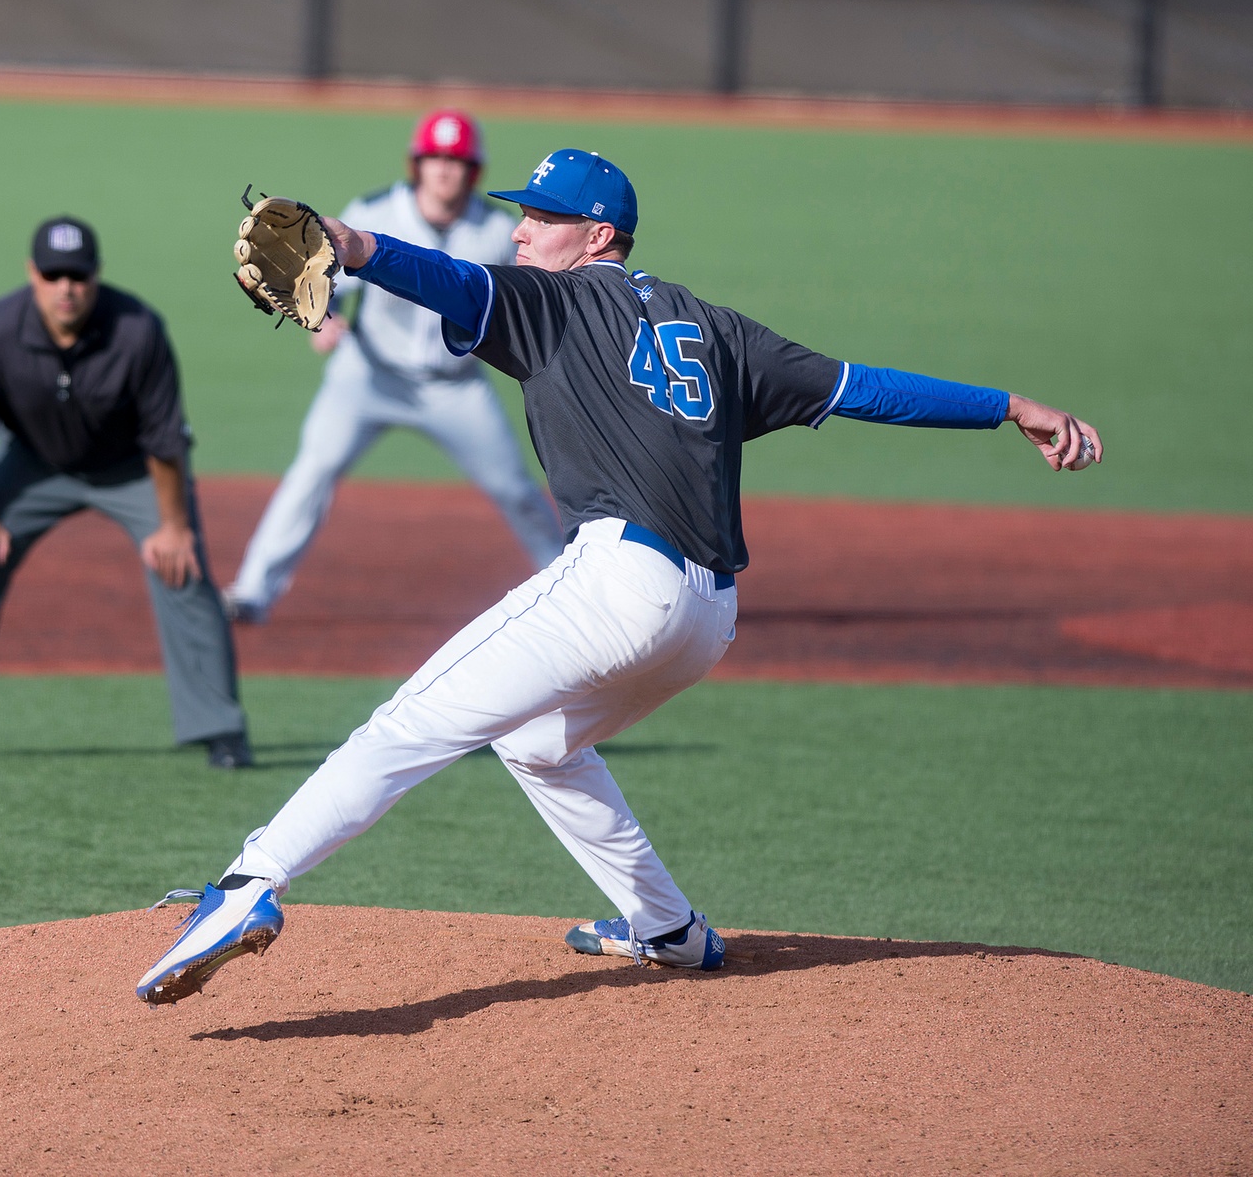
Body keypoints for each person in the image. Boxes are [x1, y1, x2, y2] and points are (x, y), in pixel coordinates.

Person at [136, 147, 1102, 1003]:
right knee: (539, 745)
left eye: (543, 218)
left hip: (620, 581)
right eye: (520, 212)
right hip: (706, 620)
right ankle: (670, 929)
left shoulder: (551, 302)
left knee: (409, 721)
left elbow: (440, 278)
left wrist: (353, 244)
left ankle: (247, 885)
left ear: (599, 236)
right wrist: (1009, 405)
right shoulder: (719, 330)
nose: (522, 230)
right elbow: (864, 387)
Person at [0, 216, 254, 769]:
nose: (66, 288)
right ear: (32, 274)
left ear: (96, 275)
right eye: (53, 274)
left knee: (182, 568)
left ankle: (220, 728)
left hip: (132, 467)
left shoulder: (137, 329)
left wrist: (174, 528)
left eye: (78, 275)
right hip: (34, 465)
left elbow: (166, 441)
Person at [222, 110, 563, 623]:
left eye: (457, 160)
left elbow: (523, 300)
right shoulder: (375, 211)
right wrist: (327, 320)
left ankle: (567, 586)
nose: (445, 169)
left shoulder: (496, 231)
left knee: (515, 488)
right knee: (313, 470)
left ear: (474, 171)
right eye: (435, 158)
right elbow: (320, 280)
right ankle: (252, 592)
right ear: (417, 164)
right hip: (368, 376)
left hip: (455, 388)